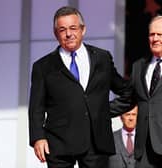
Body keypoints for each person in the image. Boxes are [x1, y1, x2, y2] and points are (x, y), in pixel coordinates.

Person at [28, 6, 133, 168]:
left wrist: (104, 110)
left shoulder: (102, 59)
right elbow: (36, 107)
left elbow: (126, 92)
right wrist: (38, 137)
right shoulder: (43, 67)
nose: (68, 34)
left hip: (96, 142)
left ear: (83, 30)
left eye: (73, 28)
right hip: (58, 143)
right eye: (62, 30)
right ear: (56, 34)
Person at [131, 15, 162, 168]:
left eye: (160, 34)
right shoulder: (138, 66)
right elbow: (127, 100)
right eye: (152, 34)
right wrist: (97, 110)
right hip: (144, 152)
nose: (155, 38)